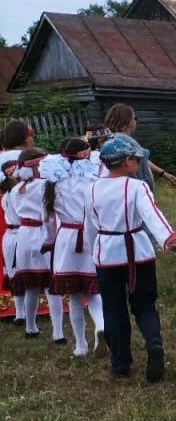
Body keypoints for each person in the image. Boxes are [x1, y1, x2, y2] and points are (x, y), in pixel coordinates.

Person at [88, 136, 176, 381]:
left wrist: (91, 251)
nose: (140, 162)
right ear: (126, 162)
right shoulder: (137, 187)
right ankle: (154, 343)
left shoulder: (93, 188)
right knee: (144, 305)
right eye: (137, 159)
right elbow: (152, 214)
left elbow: (89, 224)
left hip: (106, 255)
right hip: (137, 253)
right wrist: (168, 238)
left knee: (113, 308)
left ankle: (121, 364)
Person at [42, 139, 105, 356]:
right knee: (94, 291)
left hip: (66, 239)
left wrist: (49, 241)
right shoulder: (91, 180)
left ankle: (80, 345)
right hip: (90, 235)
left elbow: (49, 218)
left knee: (74, 296)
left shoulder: (54, 182)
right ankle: (101, 326)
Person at [5, 147, 56, 340]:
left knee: (30, 285)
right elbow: (49, 216)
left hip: (22, 236)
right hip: (39, 234)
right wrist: (51, 240)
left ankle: (30, 325)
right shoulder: (44, 186)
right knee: (50, 284)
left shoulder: (15, 190)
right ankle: (58, 331)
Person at [1, 120, 40, 327]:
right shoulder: (35, 158)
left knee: (15, 270)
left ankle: (20, 312)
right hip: (31, 223)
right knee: (37, 269)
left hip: (10, 226)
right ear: (26, 137)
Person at [105, 103, 176, 192]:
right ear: (126, 121)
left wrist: (163, 173)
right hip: (136, 190)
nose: (136, 121)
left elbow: (142, 159)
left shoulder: (116, 139)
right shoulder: (124, 141)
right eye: (135, 118)